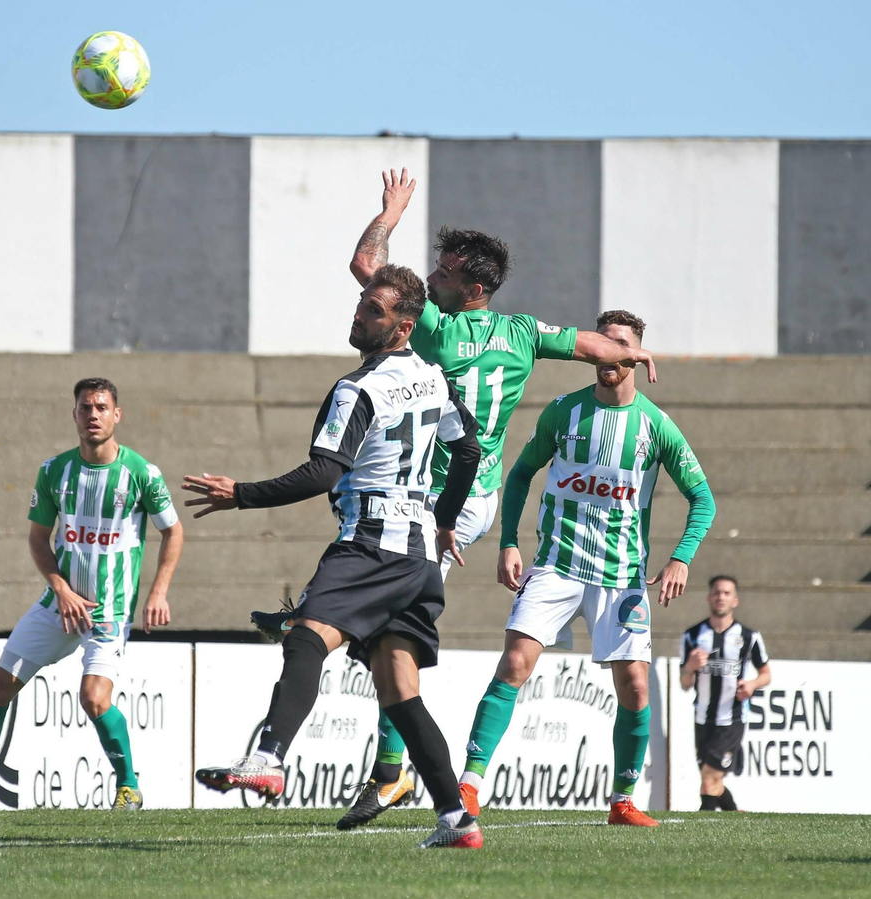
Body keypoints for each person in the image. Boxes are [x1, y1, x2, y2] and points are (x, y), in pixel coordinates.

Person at [250, 169, 659, 830]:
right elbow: (588, 345)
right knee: (388, 625)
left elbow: (365, 263)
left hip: (438, 502)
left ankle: (388, 765)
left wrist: (388, 215)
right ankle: (338, 649)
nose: (430, 279)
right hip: (470, 493)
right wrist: (632, 351)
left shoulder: (435, 330)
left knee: (391, 630)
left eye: (441, 274)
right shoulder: (524, 330)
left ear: (470, 288)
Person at [186, 264, 487, 849]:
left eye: (373, 310)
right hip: (419, 553)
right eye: (360, 304)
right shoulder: (433, 376)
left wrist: (240, 495)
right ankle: (456, 820)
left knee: (306, 638)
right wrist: (445, 519)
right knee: (400, 691)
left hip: (370, 542)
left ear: (403, 327)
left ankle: (269, 757)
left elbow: (324, 471)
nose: (358, 315)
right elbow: (469, 449)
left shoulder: (358, 389)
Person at [459, 310, 716, 827]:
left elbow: (703, 500)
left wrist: (680, 558)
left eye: (622, 345)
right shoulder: (563, 413)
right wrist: (508, 542)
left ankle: (623, 800)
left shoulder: (655, 426)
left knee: (637, 687)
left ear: (638, 358)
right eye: (604, 344)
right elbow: (520, 475)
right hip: (556, 564)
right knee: (514, 664)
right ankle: (468, 786)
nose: (610, 354)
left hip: (621, 576)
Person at [0, 378, 184, 812]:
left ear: (117, 415)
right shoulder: (55, 470)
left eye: (101, 407)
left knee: (94, 698)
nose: (92, 414)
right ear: (74, 414)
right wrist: (60, 588)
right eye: (84, 407)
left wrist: (159, 592)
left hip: (109, 609)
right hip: (58, 605)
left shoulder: (141, 473)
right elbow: (39, 539)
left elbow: (174, 531)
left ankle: (128, 787)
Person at [680, 574, 772, 812]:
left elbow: (766, 674)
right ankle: (735, 815)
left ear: (735, 600)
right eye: (717, 592)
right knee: (712, 781)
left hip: (732, 718)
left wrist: (752, 685)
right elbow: (684, 682)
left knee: (709, 778)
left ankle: (702, 829)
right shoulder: (692, 635)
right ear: (709, 598)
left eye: (726, 593)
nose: (721, 597)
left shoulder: (749, 637)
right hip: (702, 717)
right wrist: (690, 667)